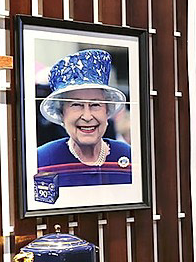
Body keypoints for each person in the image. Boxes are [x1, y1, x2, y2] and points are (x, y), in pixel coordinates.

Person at [34, 47, 133, 188]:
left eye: (95, 104)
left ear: (107, 111)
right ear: (62, 114)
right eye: (76, 105)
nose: (87, 116)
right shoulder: (42, 160)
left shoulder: (130, 156)